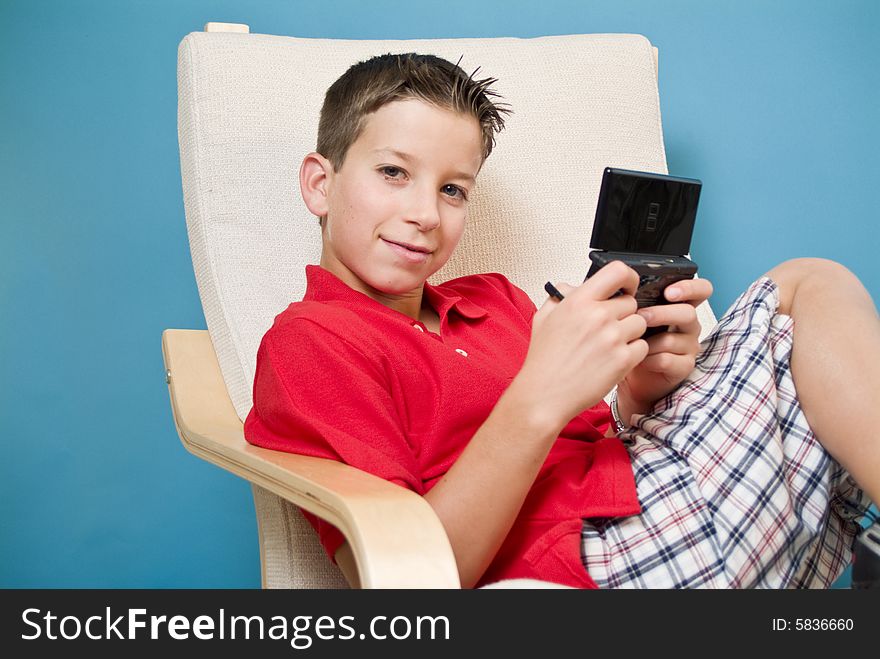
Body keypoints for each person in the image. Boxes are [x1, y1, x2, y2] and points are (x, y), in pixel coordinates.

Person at [243, 52, 879, 589]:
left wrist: (643, 383)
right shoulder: (312, 342)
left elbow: (602, 438)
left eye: (453, 189)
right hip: (597, 549)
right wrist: (537, 396)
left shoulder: (496, 301)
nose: (425, 214)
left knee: (801, 295)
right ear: (319, 185)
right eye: (393, 173)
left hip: (651, 484)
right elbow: (406, 577)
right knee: (806, 287)